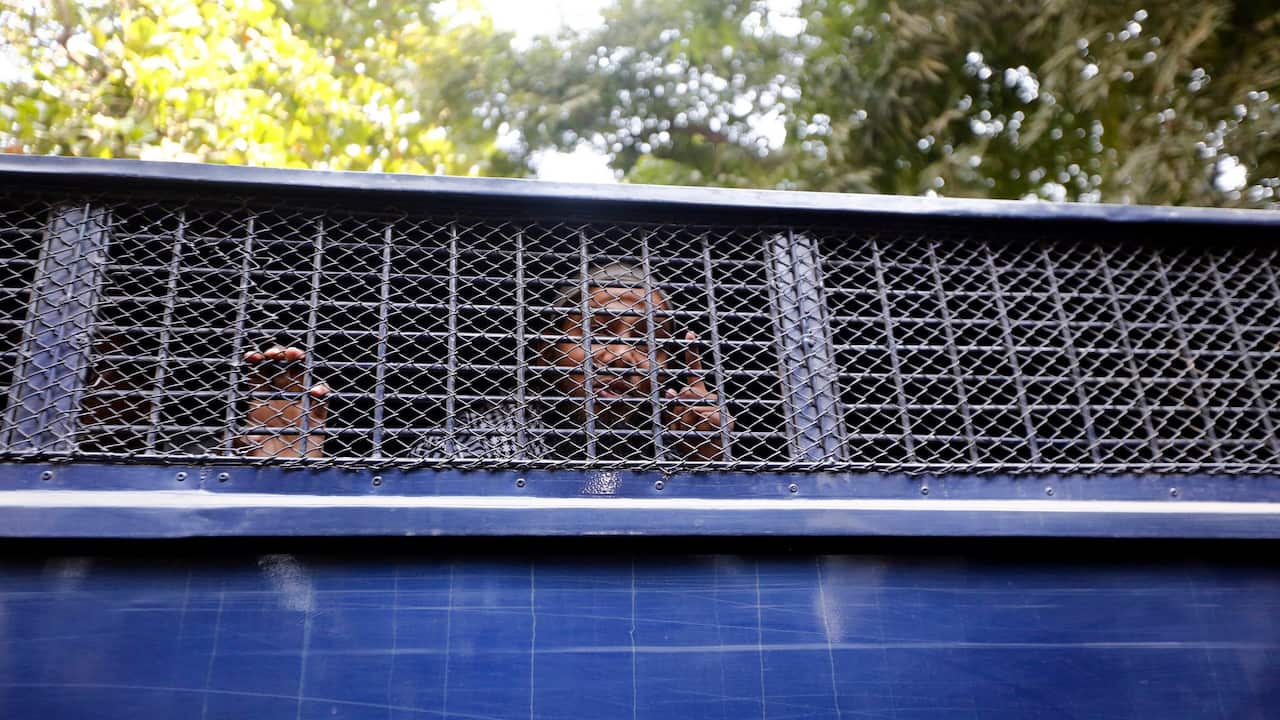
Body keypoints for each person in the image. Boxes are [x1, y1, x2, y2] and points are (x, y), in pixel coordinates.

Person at [236, 262, 732, 461]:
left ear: (672, 363)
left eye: (647, 341)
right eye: (597, 332)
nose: (622, 356)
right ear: (546, 350)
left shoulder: (694, 450)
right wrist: (291, 460)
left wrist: (709, 473)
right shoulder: (475, 438)